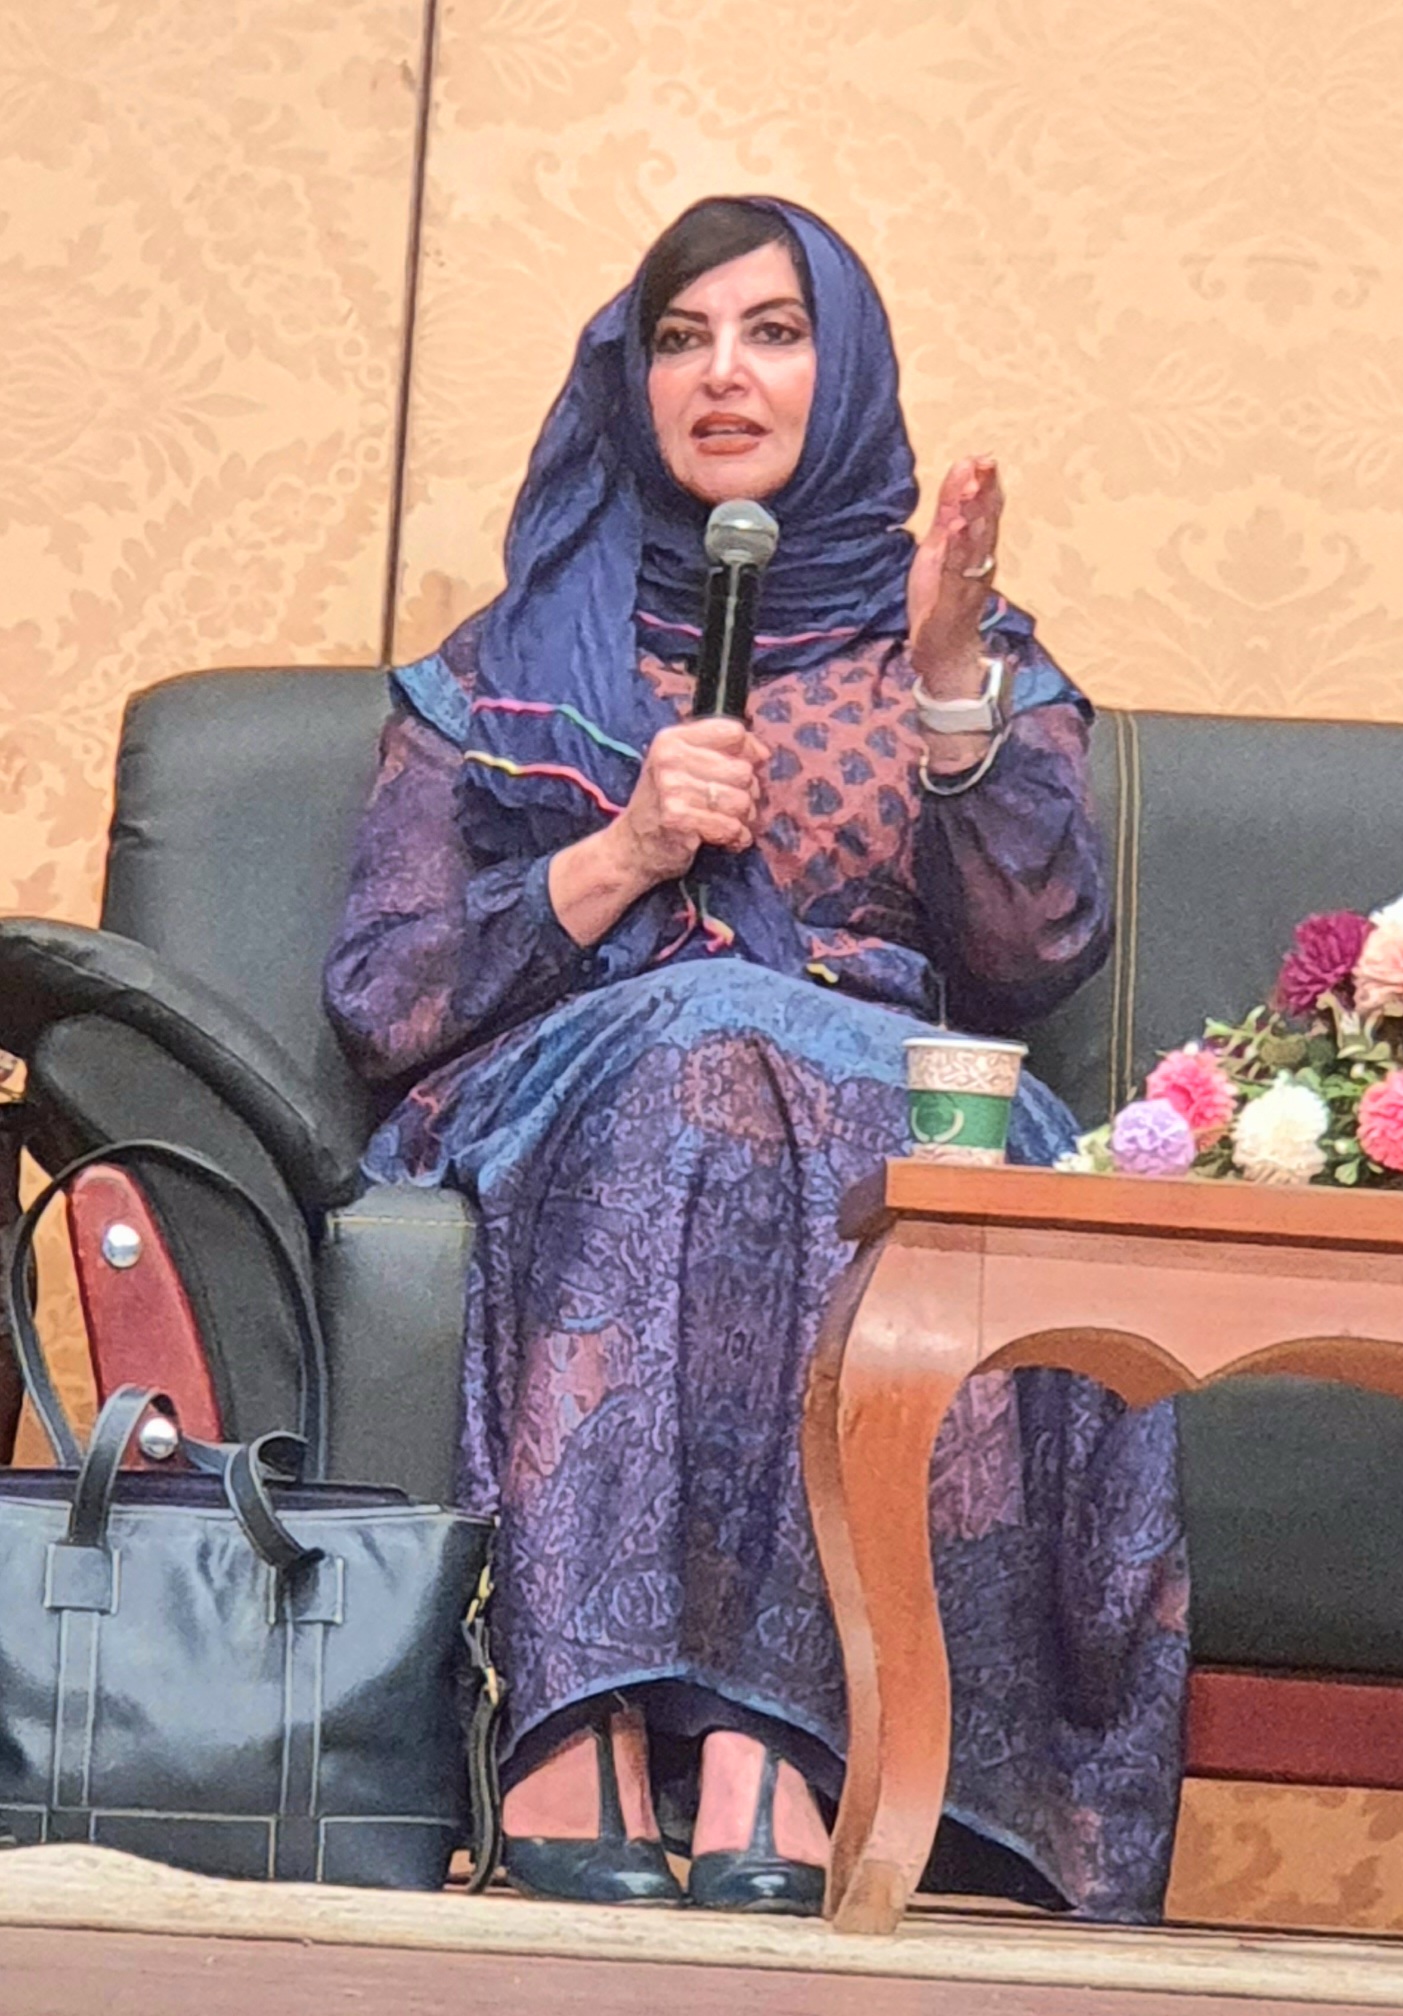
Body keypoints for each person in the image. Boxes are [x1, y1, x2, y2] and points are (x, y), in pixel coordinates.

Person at [325, 196, 1188, 1920]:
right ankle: (584, 1724)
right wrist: (624, 852)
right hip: (582, 1079)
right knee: (708, 1066)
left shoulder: (961, 650)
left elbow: (1029, 959)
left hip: (889, 1082)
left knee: (868, 1112)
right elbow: (385, 994)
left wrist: (949, 689)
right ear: (630, 380)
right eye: (680, 337)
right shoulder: (509, 659)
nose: (722, 373)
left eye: (773, 332)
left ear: (840, 369)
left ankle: (770, 1742)